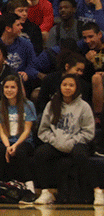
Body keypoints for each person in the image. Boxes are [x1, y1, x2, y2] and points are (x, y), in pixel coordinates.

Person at [33, 74, 94, 204]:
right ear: (60, 87)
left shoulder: (84, 106)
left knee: (81, 154)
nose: (67, 88)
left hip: (75, 143)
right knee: (40, 153)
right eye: (64, 85)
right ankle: (45, 192)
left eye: (71, 85)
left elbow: (88, 132)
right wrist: (55, 141)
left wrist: (71, 142)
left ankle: (91, 191)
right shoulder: (51, 104)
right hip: (56, 143)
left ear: (77, 88)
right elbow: (43, 131)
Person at [0, 75, 37, 205]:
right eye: (6, 87)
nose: (9, 90)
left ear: (19, 89)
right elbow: (2, 132)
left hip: (24, 141)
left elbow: (27, 131)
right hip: (6, 141)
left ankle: (30, 190)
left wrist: (15, 145)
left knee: (21, 152)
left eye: (13, 87)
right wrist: (8, 146)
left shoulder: (28, 105)